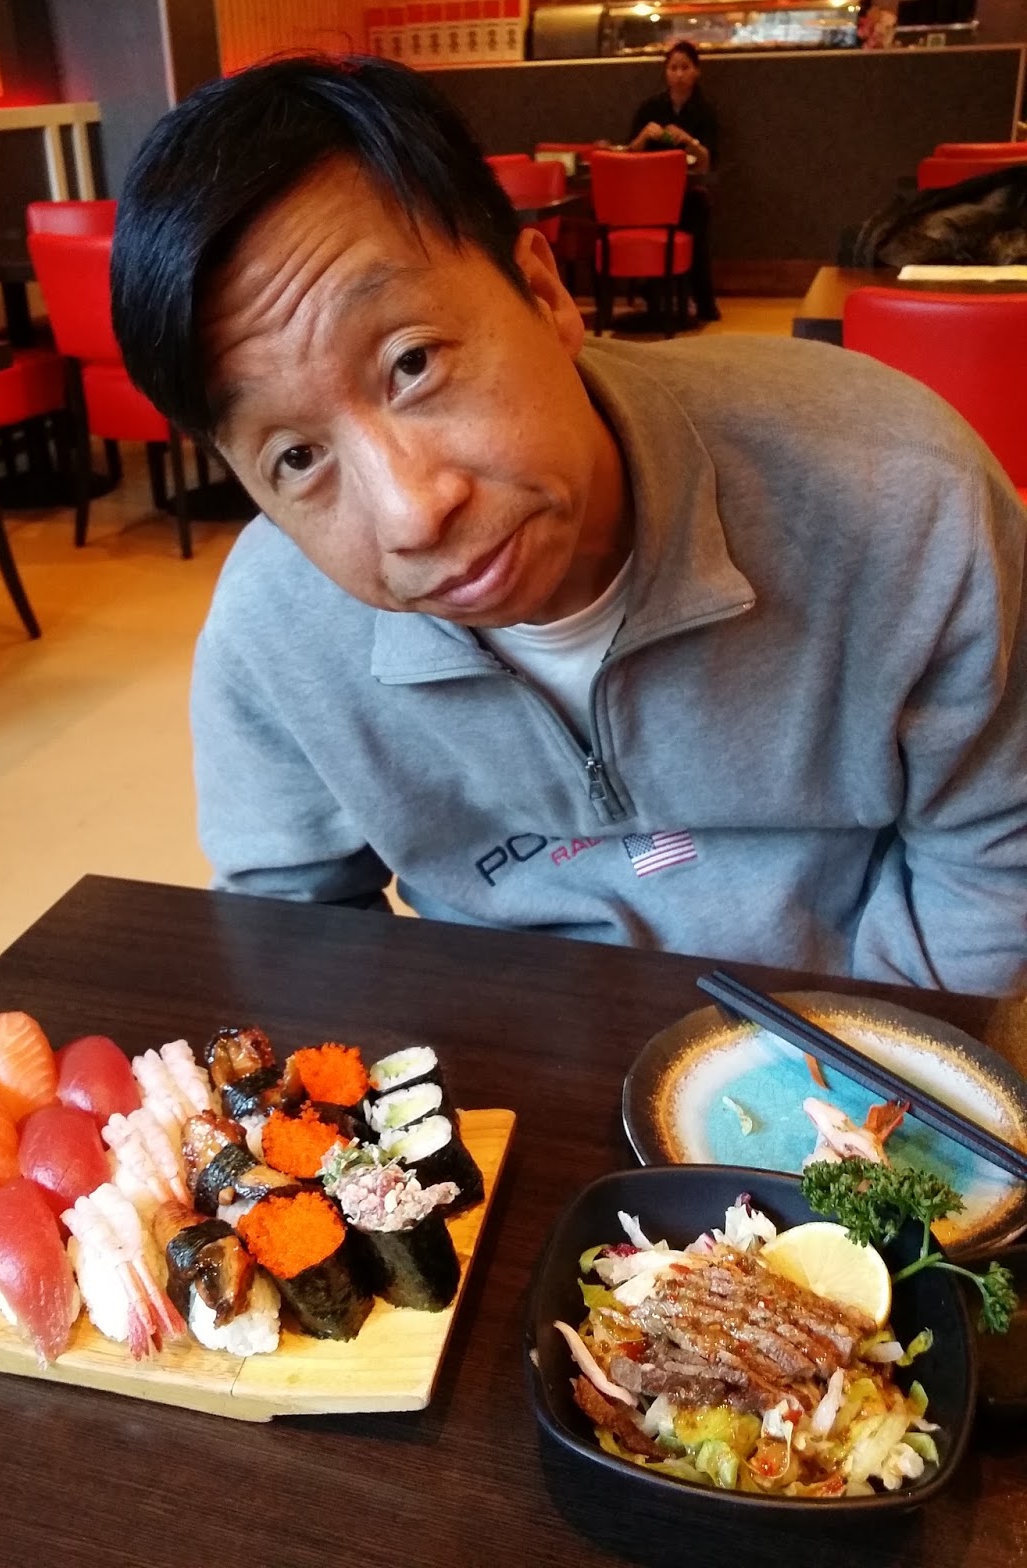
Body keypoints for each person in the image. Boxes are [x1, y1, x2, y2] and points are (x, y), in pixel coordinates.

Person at [110, 54, 1027, 996]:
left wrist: (866, 1060)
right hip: (511, 1050)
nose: (412, 513)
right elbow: (294, 930)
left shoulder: (901, 492)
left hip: (850, 1035)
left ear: (544, 293)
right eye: (298, 457)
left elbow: (997, 860)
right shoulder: (275, 626)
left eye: (413, 363)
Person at [626, 41, 719, 322]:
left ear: (696, 71)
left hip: (689, 193)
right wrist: (644, 136)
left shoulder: (705, 111)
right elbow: (629, 154)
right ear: (665, 72)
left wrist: (690, 142)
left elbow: (707, 162)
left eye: (685, 68)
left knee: (695, 213)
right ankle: (653, 293)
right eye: (673, 68)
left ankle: (701, 302)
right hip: (650, 195)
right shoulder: (650, 108)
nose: (679, 74)